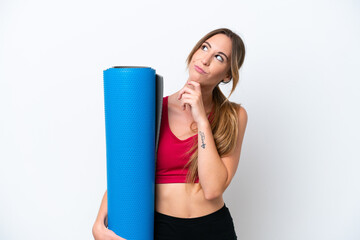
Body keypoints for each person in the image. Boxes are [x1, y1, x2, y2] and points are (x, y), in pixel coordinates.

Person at [92, 27, 248, 240]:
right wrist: (99, 222)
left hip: (213, 228)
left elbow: (212, 189)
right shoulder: (153, 109)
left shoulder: (234, 116)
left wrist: (202, 119)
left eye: (219, 57)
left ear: (228, 74)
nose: (205, 60)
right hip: (162, 228)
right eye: (204, 48)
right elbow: (126, 169)